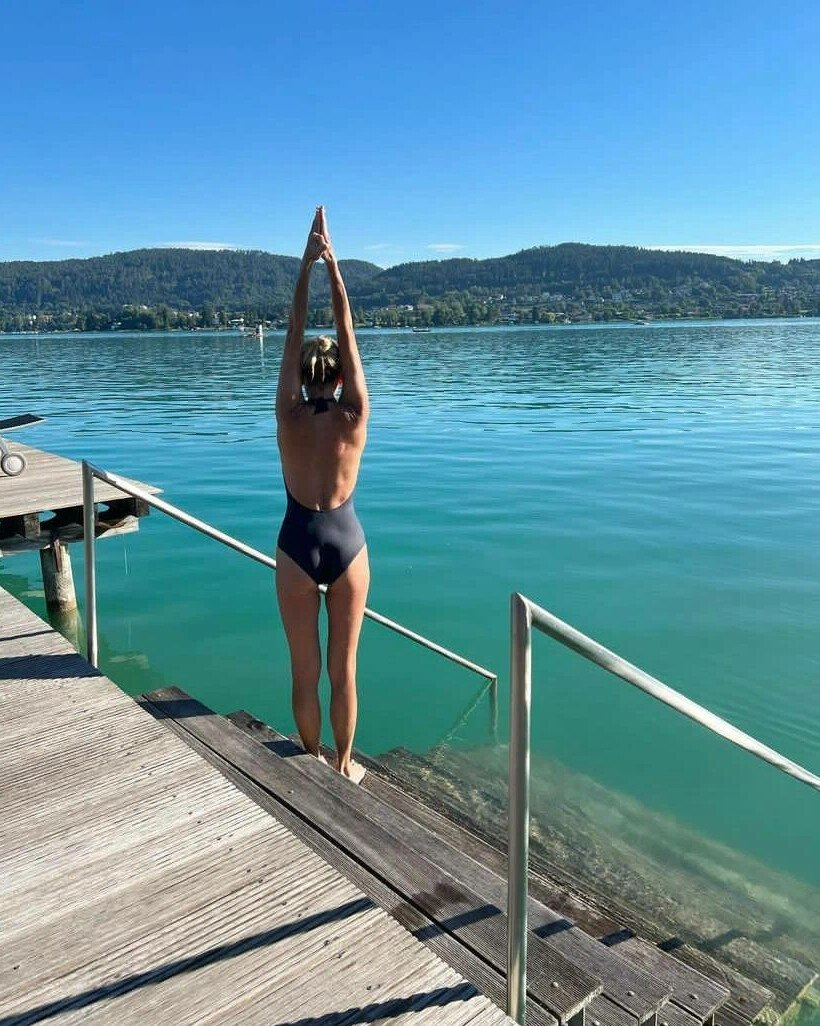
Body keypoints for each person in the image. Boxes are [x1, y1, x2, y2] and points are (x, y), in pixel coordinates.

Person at [275, 206, 370, 782]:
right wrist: (332, 265)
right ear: (337, 377)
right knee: (344, 671)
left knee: (303, 671)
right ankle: (344, 765)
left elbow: (292, 333)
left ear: (305, 376)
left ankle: (309, 762)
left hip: (296, 544)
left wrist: (304, 266)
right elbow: (347, 329)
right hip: (346, 544)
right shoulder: (354, 416)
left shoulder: (288, 416)